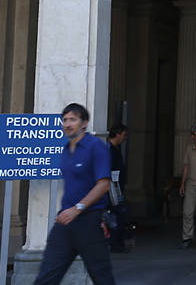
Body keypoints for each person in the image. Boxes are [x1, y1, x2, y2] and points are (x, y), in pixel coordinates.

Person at [33, 103, 116, 285]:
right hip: (65, 222)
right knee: (46, 276)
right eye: (65, 120)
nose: (68, 124)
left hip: (90, 221)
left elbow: (103, 185)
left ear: (84, 123)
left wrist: (77, 208)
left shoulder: (96, 147)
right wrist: (71, 211)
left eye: (73, 119)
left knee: (102, 277)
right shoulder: (65, 150)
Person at [106, 123, 130, 253]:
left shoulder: (114, 149)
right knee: (121, 212)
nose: (125, 138)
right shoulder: (109, 150)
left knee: (118, 213)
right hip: (111, 189)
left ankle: (115, 241)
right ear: (117, 135)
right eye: (124, 135)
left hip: (115, 188)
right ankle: (114, 242)